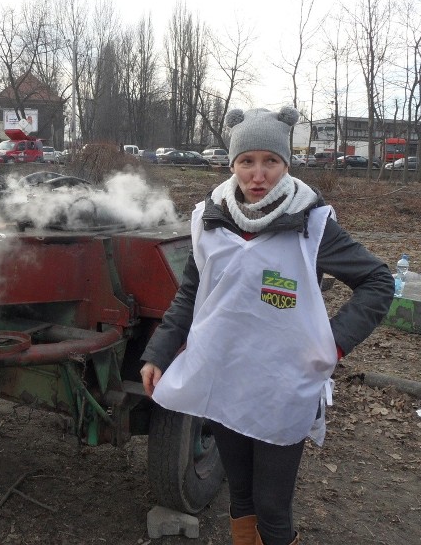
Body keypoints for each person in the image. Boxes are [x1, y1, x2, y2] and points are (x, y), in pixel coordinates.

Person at [140, 107, 394, 545]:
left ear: (286, 164)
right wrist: (158, 352)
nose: (259, 175)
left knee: (272, 506)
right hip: (225, 378)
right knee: (241, 496)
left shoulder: (312, 225)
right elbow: (191, 294)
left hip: (282, 385)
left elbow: (377, 282)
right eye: (247, 162)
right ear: (232, 164)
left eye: (270, 162)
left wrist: (332, 344)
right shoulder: (210, 220)